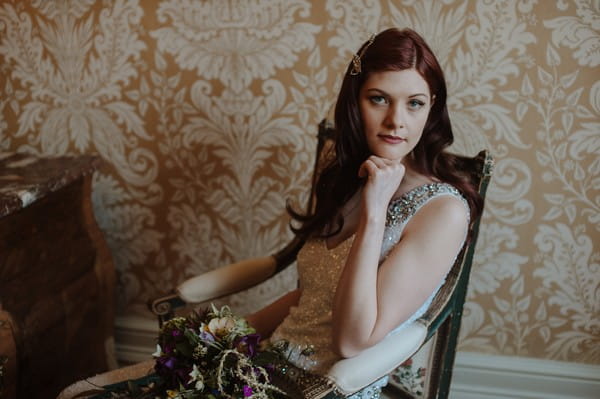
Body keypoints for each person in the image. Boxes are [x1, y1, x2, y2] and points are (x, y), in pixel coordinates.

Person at [247, 27, 483, 398]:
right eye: (379, 99)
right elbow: (313, 296)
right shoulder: (345, 178)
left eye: (414, 103)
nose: (396, 121)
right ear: (354, 102)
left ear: (432, 107)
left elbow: (352, 342)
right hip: (264, 370)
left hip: (328, 390)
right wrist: (228, 335)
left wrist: (375, 213)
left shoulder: (443, 212)